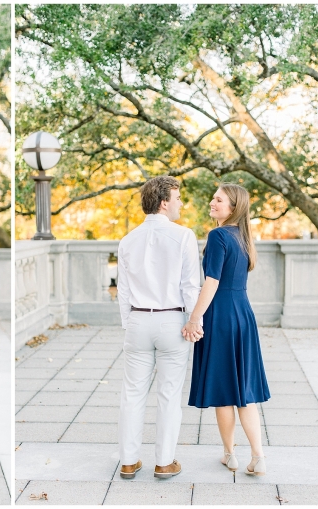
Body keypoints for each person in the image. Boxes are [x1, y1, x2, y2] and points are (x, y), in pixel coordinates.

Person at [117, 176, 203, 480]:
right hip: (172, 321)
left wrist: (130, 324)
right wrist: (195, 322)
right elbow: (191, 286)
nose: (181, 204)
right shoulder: (183, 236)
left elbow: (123, 292)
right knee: (168, 394)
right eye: (178, 198)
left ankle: (128, 461)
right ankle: (164, 462)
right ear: (164, 202)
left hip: (138, 320)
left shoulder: (127, 240)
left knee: (132, 393)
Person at [184, 183, 270, 476]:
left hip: (221, 317)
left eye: (218, 200)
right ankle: (258, 456)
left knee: (224, 391)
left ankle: (230, 454)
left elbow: (212, 282)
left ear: (233, 207)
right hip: (243, 315)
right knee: (243, 391)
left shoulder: (218, 235)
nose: (212, 202)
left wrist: (195, 318)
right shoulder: (243, 237)